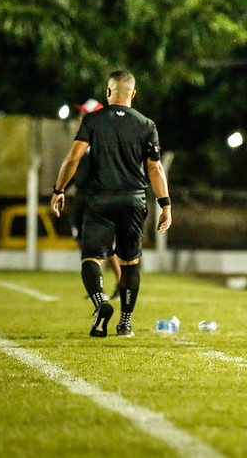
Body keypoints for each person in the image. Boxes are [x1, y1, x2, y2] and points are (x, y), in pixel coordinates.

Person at [51, 70, 172, 338]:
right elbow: (156, 169)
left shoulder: (93, 120)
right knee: (130, 263)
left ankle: (100, 303)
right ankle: (125, 324)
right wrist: (166, 205)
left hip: (100, 199)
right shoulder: (146, 124)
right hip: (133, 200)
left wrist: (59, 189)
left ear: (108, 92)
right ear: (133, 93)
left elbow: (73, 159)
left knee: (91, 258)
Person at [70, 99, 122, 299]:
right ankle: (95, 287)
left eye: (86, 113)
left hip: (99, 196)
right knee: (83, 242)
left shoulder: (106, 139)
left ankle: (121, 283)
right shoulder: (85, 138)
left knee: (106, 243)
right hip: (82, 195)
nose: (82, 117)